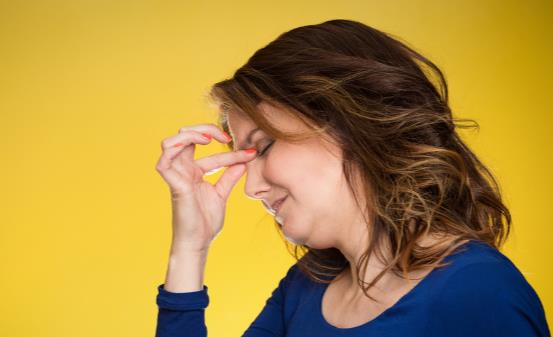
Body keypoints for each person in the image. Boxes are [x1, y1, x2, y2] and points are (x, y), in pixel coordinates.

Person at [153, 19, 551, 337]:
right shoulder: (304, 289)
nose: (252, 188)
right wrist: (190, 249)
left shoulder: (480, 294)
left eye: (266, 146)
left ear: (349, 124)